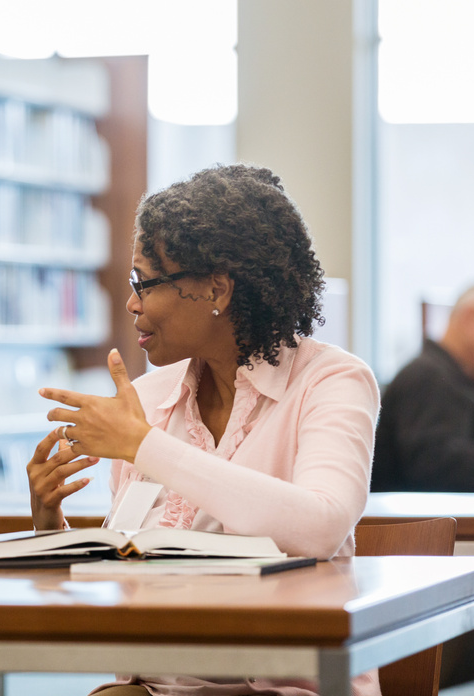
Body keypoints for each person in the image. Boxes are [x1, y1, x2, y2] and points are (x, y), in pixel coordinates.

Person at [28, 164, 380, 696]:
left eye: (146, 283)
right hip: (160, 687)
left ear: (216, 289)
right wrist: (50, 529)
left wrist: (143, 445)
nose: (132, 303)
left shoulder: (332, 381)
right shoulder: (148, 397)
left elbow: (321, 524)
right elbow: (130, 569)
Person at [372, 283, 474, 492]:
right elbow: (432, 466)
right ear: (471, 318)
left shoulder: (454, 381)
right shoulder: (428, 377)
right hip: (418, 522)